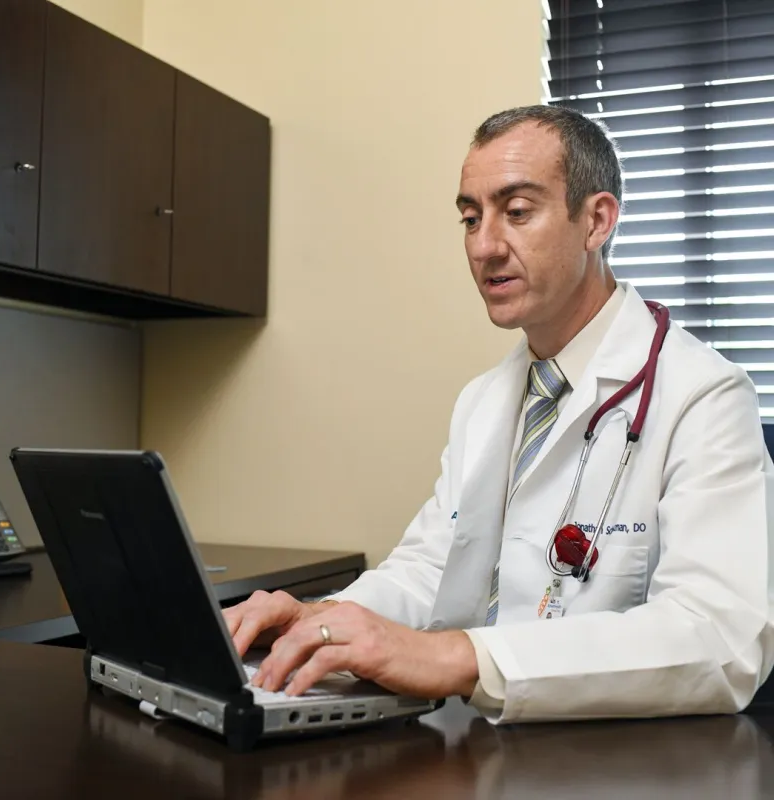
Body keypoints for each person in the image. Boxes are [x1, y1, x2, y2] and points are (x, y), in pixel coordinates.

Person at [223, 105, 774, 723]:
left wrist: (463, 659)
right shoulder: (484, 401)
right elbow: (430, 568)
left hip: (615, 762)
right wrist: (318, 621)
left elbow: (721, 640)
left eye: (516, 212)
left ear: (596, 221)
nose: (484, 246)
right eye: (469, 217)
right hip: (474, 746)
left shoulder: (705, 394)